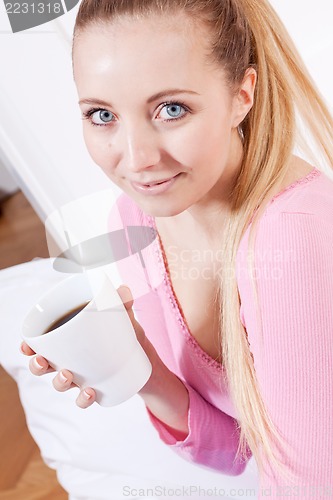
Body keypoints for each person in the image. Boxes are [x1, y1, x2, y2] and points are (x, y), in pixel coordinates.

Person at [21, 0, 333, 497]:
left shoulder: (295, 238)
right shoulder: (134, 222)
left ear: (242, 95)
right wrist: (141, 369)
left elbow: (311, 482)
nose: (138, 159)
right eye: (102, 115)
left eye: (172, 109)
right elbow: (240, 449)